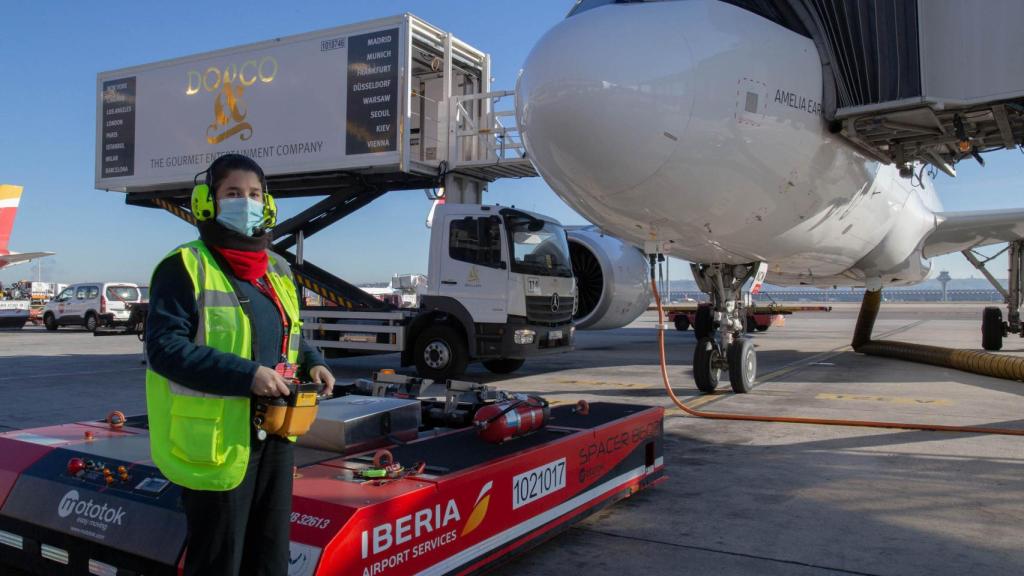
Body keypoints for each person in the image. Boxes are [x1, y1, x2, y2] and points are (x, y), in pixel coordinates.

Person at [145, 154, 334, 576]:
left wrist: (315, 362)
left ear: (267, 205)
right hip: (217, 443)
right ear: (207, 202)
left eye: (254, 194)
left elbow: (291, 331)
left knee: (269, 556)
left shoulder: (278, 269)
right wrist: (247, 375)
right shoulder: (184, 267)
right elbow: (163, 349)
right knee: (219, 560)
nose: (245, 202)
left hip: (276, 438)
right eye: (232, 193)